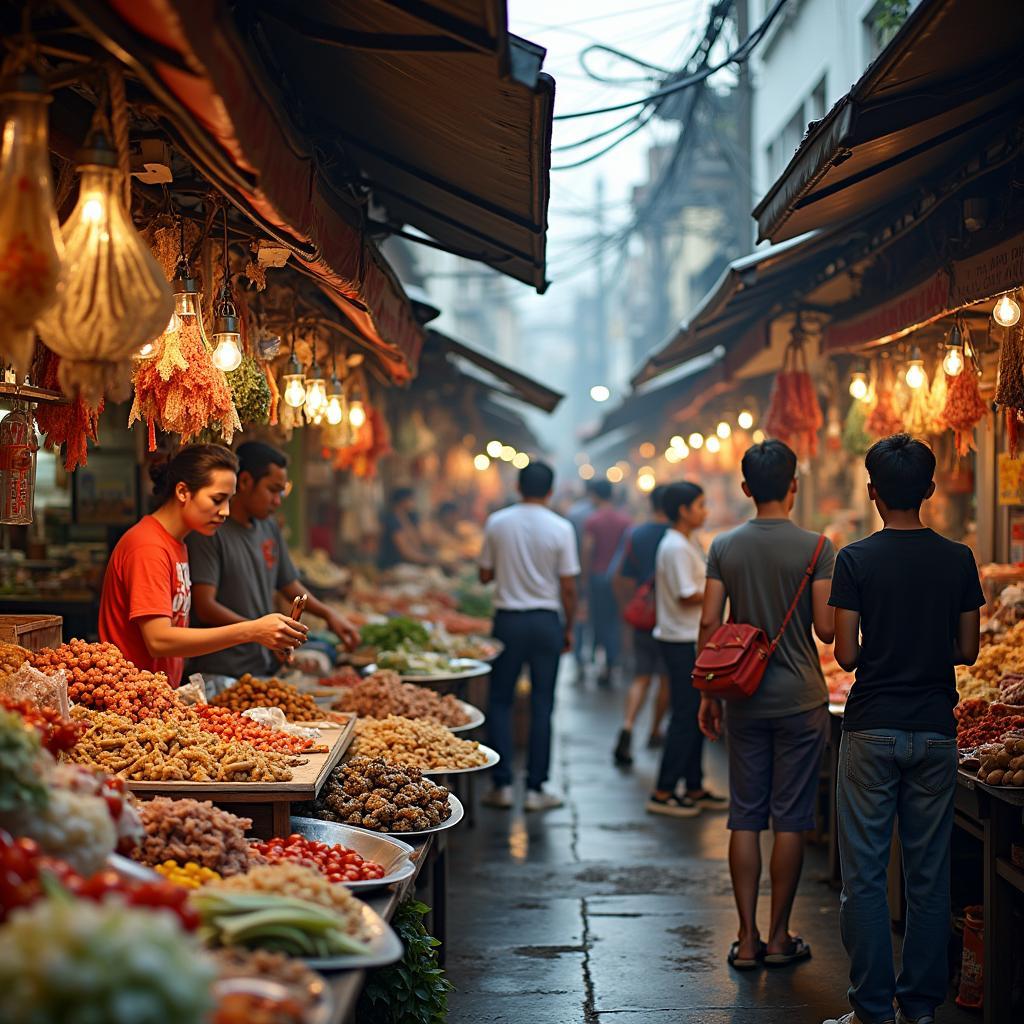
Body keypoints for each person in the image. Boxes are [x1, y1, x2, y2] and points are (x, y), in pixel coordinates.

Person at [823, 435, 983, 1024]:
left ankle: (870, 1010)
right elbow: (967, 650)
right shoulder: (959, 558)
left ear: (871, 492)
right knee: (928, 876)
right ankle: (919, 1008)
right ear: (930, 491)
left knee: (864, 879)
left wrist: (881, 643)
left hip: (871, 730)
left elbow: (844, 656)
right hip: (936, 731)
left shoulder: (855, 559)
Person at [697, 439, 836, 969]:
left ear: (747, 488)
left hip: (743, 698)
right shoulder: (819, 547)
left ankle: (747, 939)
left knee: (745, 817)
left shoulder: (724, 546)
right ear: (794, 486)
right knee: (792, 819)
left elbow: (710, 623)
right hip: (802, 699)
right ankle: (780, 938)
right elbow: (826, 630)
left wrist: (709, 691)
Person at [99, 445, 307, 687]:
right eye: (217, 499)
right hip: (128, 702)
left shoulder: (178, 544)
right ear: (183, 492)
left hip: (155, 698)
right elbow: (159, 640)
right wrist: (252, 631)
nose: (225, 511)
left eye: (229, 499)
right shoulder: (148, 546)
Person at [187, 441, 359, 679]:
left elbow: (289, 585)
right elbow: (205, 607)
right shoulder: (209, 532)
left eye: (282, 491)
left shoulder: (268, 527)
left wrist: (329, 615)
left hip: (264, 663)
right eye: (272, 489)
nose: (278, 501)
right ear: (245, 481)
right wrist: (256, 631)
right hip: (221, 671)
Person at [479, 461, 579, 811]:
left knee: (501, 701)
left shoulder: (497, 521)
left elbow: (484, 574)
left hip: (507, 621)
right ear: (551, 491)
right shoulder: (562, 528)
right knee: (542, 704)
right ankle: (537, 789)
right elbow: (568, 586)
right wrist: (567, 628)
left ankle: (502, 784)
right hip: (545, 621)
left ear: (518, 487)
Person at [645, 481, 726, 816]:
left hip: (686, 637)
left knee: (695, 713)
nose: (705, 512)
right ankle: (663, 791)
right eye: (701, 505)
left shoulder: (686, 542)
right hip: (681, 640)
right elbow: (686, 593)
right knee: (685, 715)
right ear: (683, 510)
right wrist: (724, 588)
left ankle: (693, 785)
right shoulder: (676, 547)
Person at [612, 484, 671, 765]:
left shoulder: (636, 534)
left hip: (643, 618)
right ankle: (655, 730)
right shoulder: (678, 536)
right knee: (665, 679)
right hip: (671, 619)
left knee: (641, 676)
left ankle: (627, 726)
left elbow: (620, 577)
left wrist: (628, 610)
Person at [582, 481, 633, 684]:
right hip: (620, 580)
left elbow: (588, 550)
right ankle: (614, 661)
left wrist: (584, 579)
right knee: (616, 621)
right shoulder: (625, 520)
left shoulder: (593, 521)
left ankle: (605, 662)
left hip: (598, 577)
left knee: (600, 622)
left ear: (595, 495)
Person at [378, 487, 430, 568]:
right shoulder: (391, 521)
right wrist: (433, 561)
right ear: (402, 501)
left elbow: (418, 543)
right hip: (395, 566)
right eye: (411, 499)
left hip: (410, 564)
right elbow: (406, 552)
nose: (413, 503)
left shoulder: (409, 518)